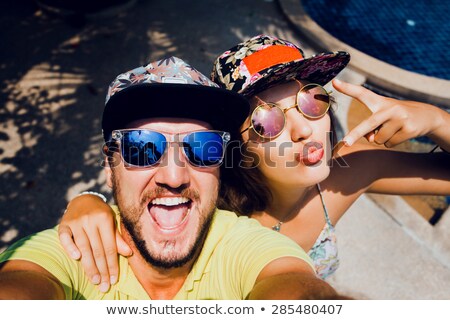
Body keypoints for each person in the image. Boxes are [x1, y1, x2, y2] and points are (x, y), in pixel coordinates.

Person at [58, 35, 450, 292]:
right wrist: (90, 203)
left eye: (312, 100)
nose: (303, 129)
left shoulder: (354, 169)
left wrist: (435, 120)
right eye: (266, 120)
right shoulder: (209, 215)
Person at [0, 56, 341, 300]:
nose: (175, 176)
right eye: (143, 147)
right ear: (109, 165)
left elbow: (295, 290)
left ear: (221, 164)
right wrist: (87, 199)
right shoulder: (71, 251)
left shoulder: (244, 244)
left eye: (203, 147)